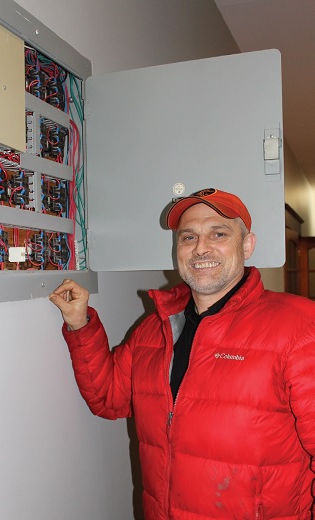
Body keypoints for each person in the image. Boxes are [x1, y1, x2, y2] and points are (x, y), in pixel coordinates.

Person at [50, 187, 315, 519]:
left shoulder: (300, 327)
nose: (201, 248)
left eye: (218, 234)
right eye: (188, 238)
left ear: (247, 245)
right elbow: (109, 398)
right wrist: (80, 324)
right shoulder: (153, 329)